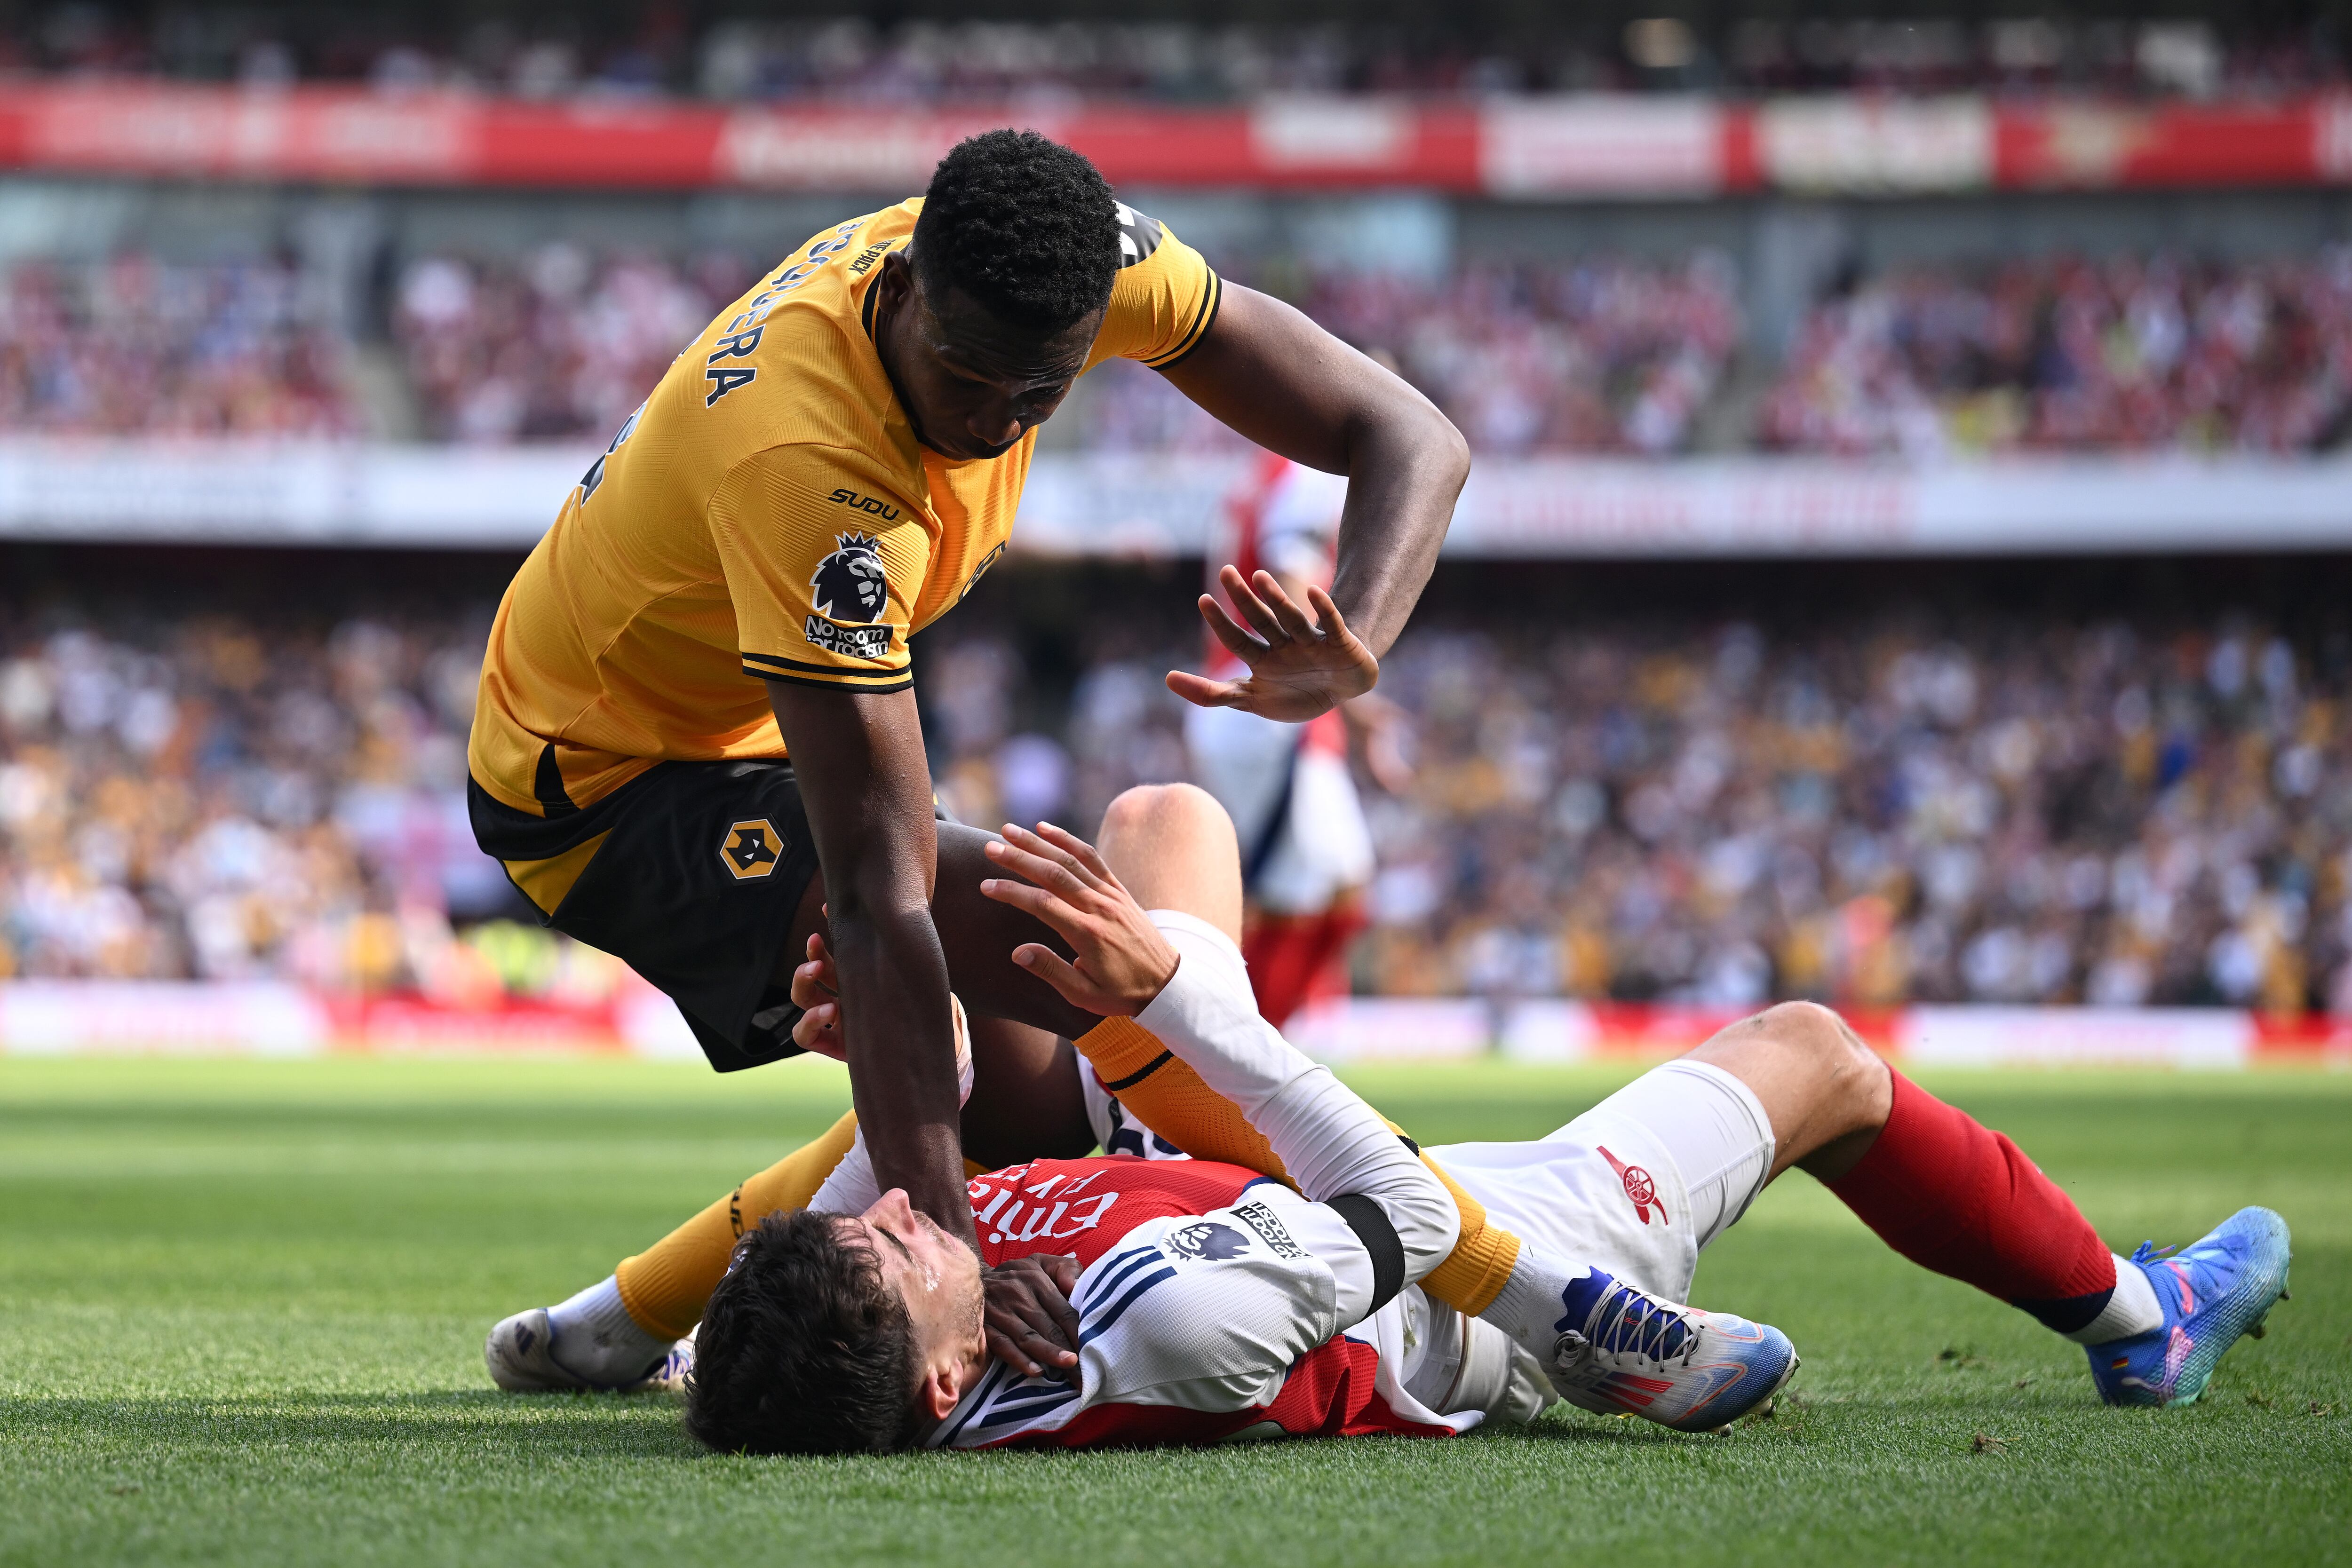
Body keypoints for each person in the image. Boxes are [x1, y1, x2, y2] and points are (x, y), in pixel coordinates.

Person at [485, 787, 2292, 1449]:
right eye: (898, 1250)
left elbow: (867, 1211)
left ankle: (602, 1315)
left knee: (1151, 828)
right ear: (953, 1383)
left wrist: (919, 1066)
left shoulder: (896, 1336)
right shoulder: (1175, 1325)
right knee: (1818, 1052)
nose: (904, 1214)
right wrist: (1172, 1004)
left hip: (1195, 1180)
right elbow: (1395, 1200)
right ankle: (2137, 1319)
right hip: (1461, 1256)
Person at [464, 127, 1470, 1270]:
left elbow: (1413, 434)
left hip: (750, 719)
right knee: (1091, 967)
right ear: (901, 290)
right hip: (606, 781)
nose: (995, 418)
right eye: (966, 370)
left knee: (1032, 1107)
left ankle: (619, 1317)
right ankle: (1463, 1247)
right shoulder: (805, 469)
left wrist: (1356, 639)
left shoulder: (1097, 267)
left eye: (1040, 388)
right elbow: (878, 899)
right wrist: (953, 1269)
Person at [1184, 453, 1412, 1027]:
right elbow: (1291, 589)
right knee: (1295, 893)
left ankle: (1264, 1040)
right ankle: (1235, 1050)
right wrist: (1349, 699)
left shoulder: (1262, 475)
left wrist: (1350, 714)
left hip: (1275, 710)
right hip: (1269, 711)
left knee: (1342, 883)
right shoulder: (1306, 472)